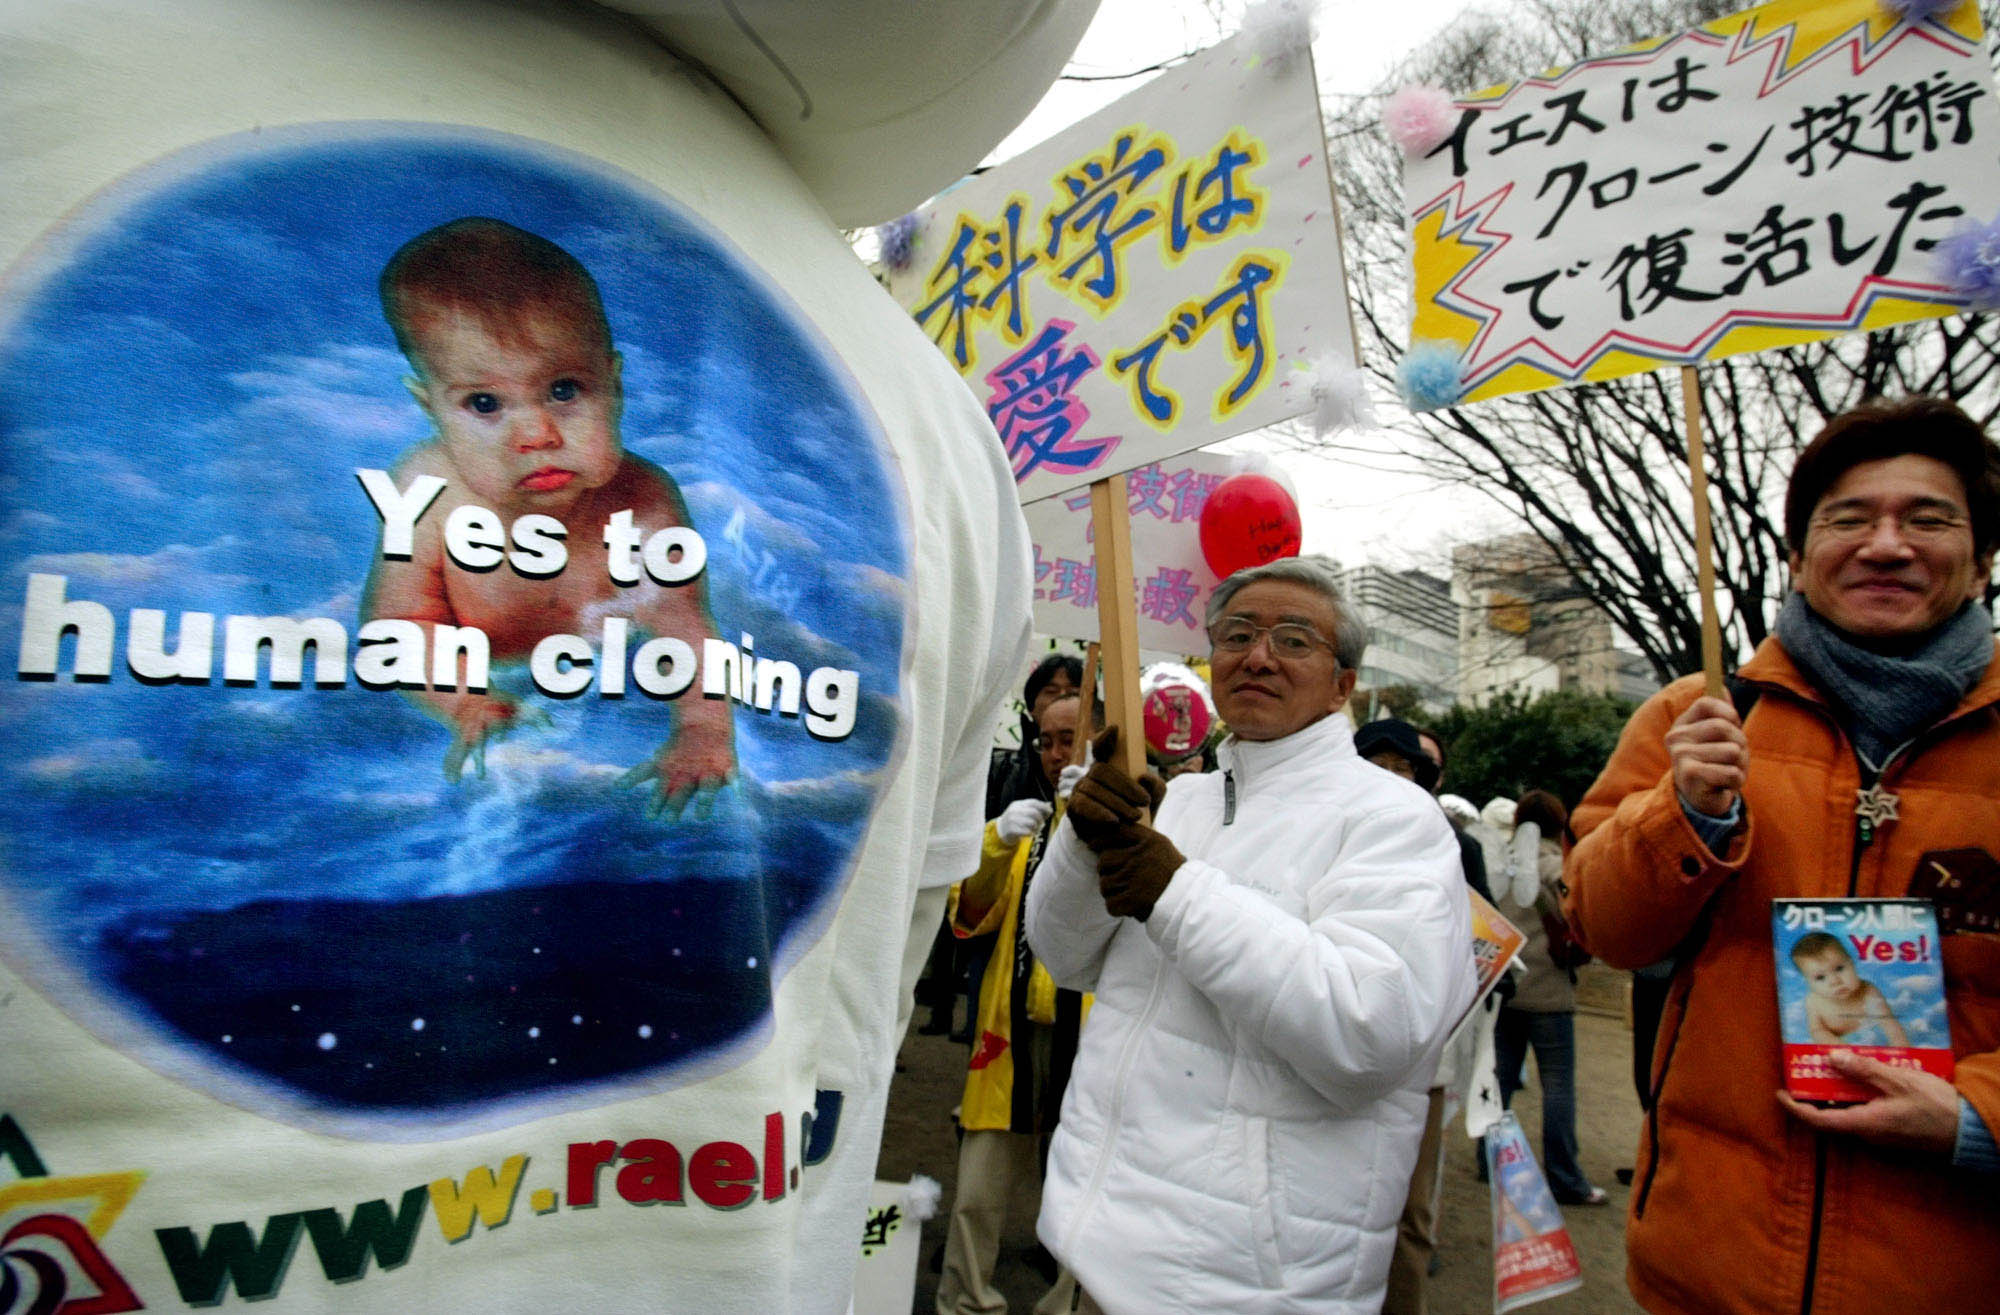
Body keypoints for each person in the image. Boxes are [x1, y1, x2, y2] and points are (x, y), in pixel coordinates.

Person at [1566, 396, 2000, 1315]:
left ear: (1983, 560)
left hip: (1952, 1269)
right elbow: (1602, 929)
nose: (1887, 543)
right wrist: (1684, 811)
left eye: (1927, 518)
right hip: (1708, 1265)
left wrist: (1975, 1118)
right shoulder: (1702, 714)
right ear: (1798, 559)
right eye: (1849, 518)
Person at [1024, 556, 1475, 1314]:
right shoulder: (1178, 797)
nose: (1259, 654)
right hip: (1093, 1241)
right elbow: (1065, 956)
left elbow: (1369, 1030)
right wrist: (1082, 840)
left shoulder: (1395, 820)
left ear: (1342, 683)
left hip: (1245, 1283)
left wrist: (1175, 891)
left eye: (1294, 639)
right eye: (1238, 633)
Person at [363, 216, 733, 811]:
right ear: (430, 408)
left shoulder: (645, 500)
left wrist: (703, 730)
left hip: (600, 686)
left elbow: (684, 628)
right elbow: (400, 627)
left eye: (564, 390)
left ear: (614, 386)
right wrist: (462, 700)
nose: (537, 435)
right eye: (484, 403)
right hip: (485, 680)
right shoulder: (427, 487)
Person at [936, 692, 1089, 1315]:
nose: (1056, 755)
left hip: (1094, 1036)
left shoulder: (1143, 824)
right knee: (978, 1185)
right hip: (1010, 1030)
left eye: (1070, 739)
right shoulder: (1026, 826)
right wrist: (995, 841)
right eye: (1047, 741)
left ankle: (1069, 1306)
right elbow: (967, 918)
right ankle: (966, 1300)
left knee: (1087, 1193)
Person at [1355, 718, 1493, 1315]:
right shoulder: (1327, 834)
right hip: (1332, 1048)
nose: (1390, 779)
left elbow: (1484, 942)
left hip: (1423, 1062)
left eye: (1403, 768)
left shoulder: (1457, 847)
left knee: (1407, 1214)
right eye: (1375, 765)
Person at [1491, 790, 1605, 1207]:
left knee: (1500, 1079)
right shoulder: (1558, 867)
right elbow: (1578, 916)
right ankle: (1564, 1178)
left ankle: (1492, 1162)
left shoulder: (1500, 865)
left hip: (1507, 985)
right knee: (1557, 1086)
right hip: (1550, 991)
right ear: (1560, 825)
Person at [1790, 932, 1908, 1047]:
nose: (1835, 981)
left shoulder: (1868, 991)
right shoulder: (1813, 1001)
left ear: (1852, 963)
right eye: (1820, 977)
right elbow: (1817, 1031)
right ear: (1808, 982)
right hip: (1839, 1043)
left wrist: (1902, 1048)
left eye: (1839, 968)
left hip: (1871, 1039)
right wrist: (1839, 1046)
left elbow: (1889, 1023)